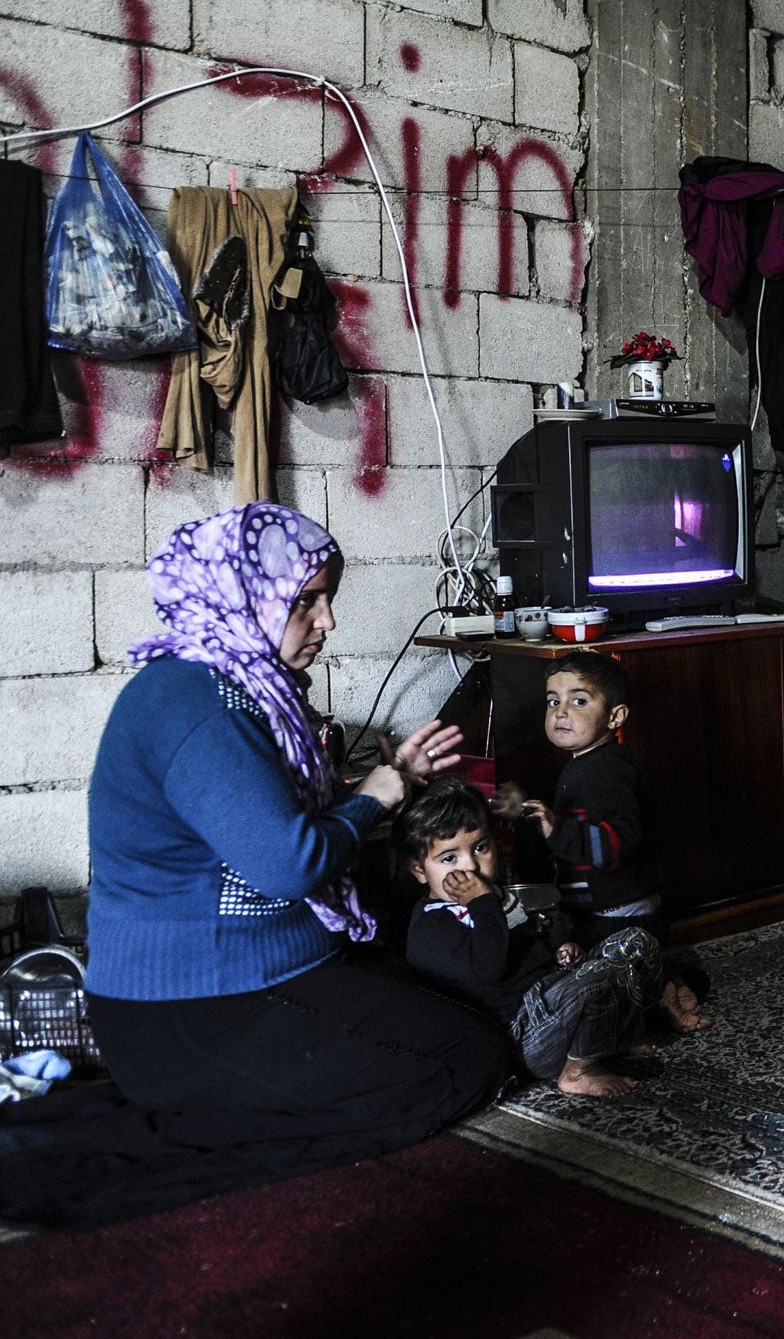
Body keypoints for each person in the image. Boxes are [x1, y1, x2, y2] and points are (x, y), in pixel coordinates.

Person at [0, 504, 510, 1229]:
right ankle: (88, 1144)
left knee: (462, 1023)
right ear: (242, 595)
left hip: (254, 978)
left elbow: (280, 825)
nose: (327, 621)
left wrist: (389, 780)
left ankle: (185, 1105)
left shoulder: (238, 687)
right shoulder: (198, 703)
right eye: (307, 601)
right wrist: (375, 795)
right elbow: (288, 864)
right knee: (460, 1064)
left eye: (326, 598)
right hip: (188, 1012)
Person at [400, 779, 706, 1099]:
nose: (471, 865)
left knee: (636, 940)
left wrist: (560, 953)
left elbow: (530, 946)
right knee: (600, 979)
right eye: (449, 858)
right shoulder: (432, 925)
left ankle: (622, 1034)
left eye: (480, 847)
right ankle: (578, 1072)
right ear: (419, 870)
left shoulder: (497, 896)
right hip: (526, 1038)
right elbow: (488, 969)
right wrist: (481, 904)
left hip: (552, 1006)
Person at [522, 654, 666, 946]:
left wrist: (557, 831)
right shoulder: (586, 762)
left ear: (615, 717)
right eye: (553, 701)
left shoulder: (608, 769)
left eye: (578, 701)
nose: (560, 712)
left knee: (611, 982)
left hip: (619, 914)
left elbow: (621, 843)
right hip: (597, 909)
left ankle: (673, 982)